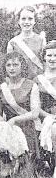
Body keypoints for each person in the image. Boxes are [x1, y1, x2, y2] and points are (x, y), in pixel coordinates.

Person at [0, 52, 40, 176]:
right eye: (8, 65)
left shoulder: (31, 85)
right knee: (6, 173)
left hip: (27, 128)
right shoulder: (1, 88)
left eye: (15, 64)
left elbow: (35, 113)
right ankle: (8, 164)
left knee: (26, 171)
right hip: (9, 129)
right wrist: (2, 127)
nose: (12, 68)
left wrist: (15, 120)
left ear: (22, 66)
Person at [34, 40, 56, 177]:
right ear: (44, 57)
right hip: (46, 117)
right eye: (49, 56)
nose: (52, 59)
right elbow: (36, 107)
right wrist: (50, 117)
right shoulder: (37, 80)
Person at [7, 6, 46, 79]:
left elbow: (45, 64)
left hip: (39, 81)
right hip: (21, 83)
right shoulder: (12, 43)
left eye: (30, 19)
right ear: (18, 21)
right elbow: (10, 68)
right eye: (23, 19)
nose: (27, 22)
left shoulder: (41, 40)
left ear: (34, 21)